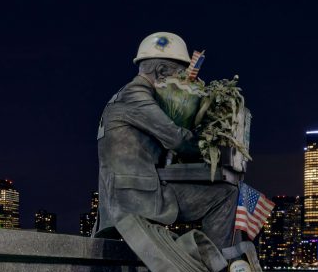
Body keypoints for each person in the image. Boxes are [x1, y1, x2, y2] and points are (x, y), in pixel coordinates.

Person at [94, 32, 238, 251]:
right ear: (161, 71)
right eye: (180, 75)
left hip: (129, 192)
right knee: (224, 195)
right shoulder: (136, 95)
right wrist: (214, 145)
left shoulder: (125, 95)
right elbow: (177, 139)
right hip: (137, 197)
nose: (182, 82)